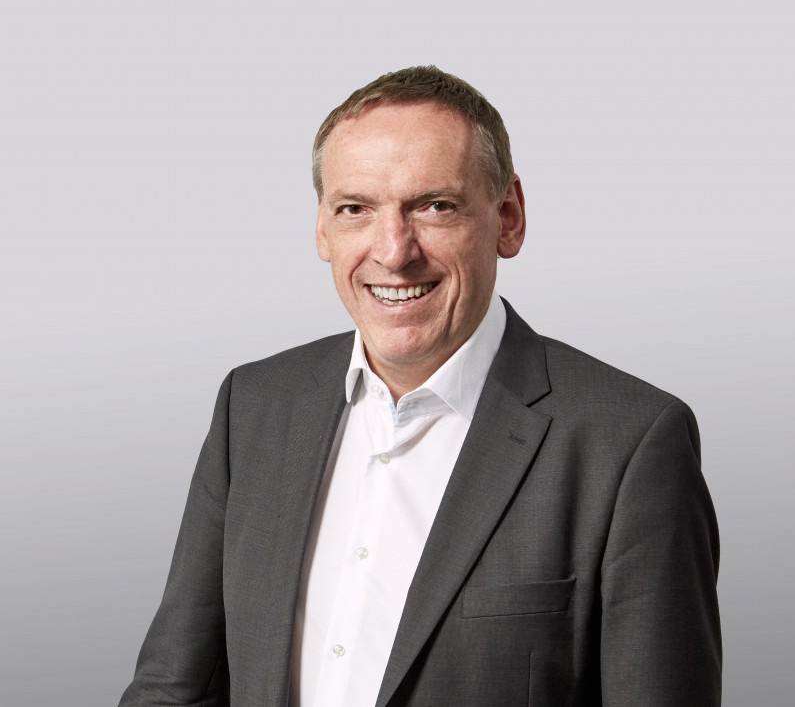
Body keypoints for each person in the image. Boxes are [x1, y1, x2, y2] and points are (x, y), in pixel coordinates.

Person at [119, 66, 721, 706]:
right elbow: (172, 690)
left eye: (434, 206)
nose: (394, 251)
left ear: (508, 217)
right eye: (355, 209)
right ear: (322, 229)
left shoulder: (628, 445)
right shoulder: (255, 407)